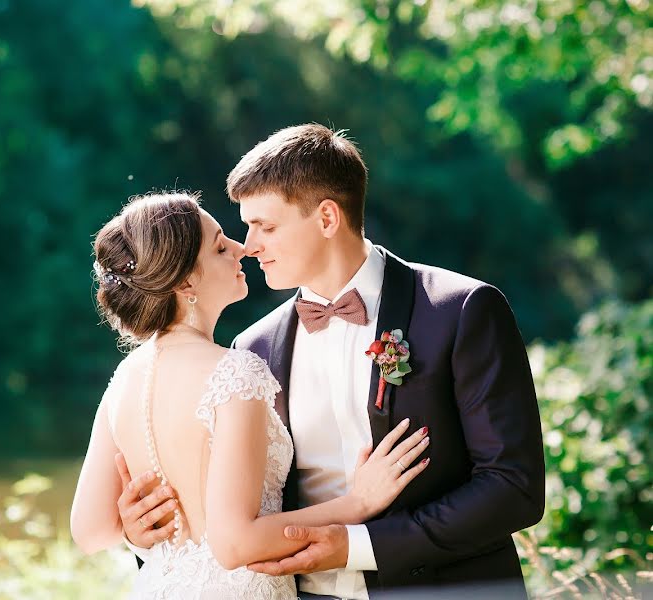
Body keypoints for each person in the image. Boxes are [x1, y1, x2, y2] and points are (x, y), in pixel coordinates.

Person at [116, 125, 545, 599]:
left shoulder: (459, 311)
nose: (250, 245)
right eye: (246, 226)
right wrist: (148, 531)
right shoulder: (249, 350)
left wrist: (356, 546)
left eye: (268, 226)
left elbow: (513, 488)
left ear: (326, 218)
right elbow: (224, 521)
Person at [70, 191, 430, 599]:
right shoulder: (235, 371)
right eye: (221, 245)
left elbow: (91, 531)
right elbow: (235, 544)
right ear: (186, 281)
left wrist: (139, 530)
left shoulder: (125, 376)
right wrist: (357, 504)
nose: (242, 248)